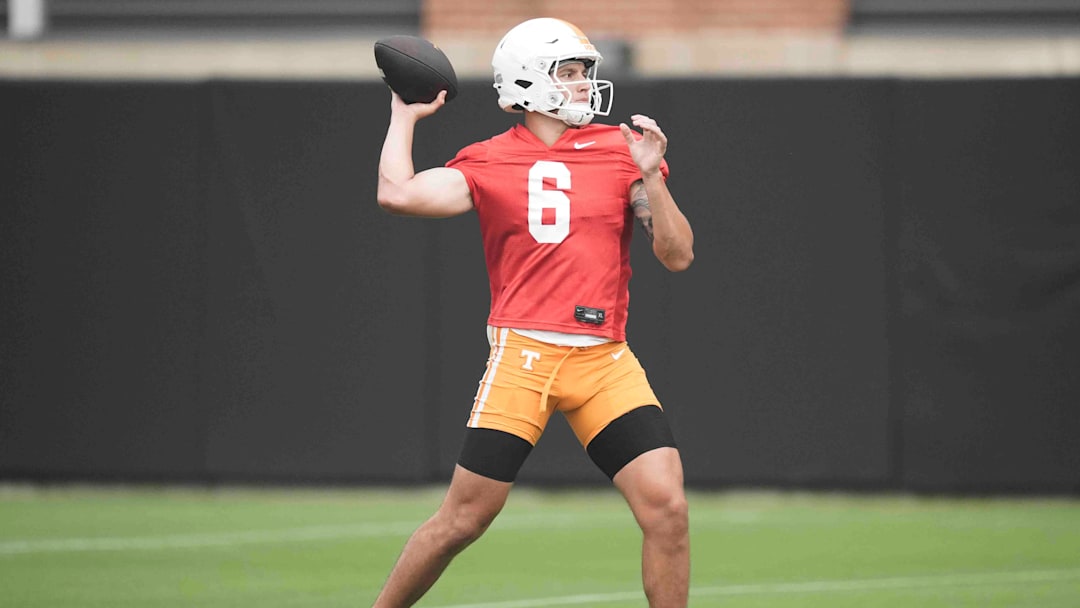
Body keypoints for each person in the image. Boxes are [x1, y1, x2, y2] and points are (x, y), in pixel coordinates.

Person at [373, 17, 694, 608]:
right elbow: (398, 193)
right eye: (567, 73)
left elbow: (677, 256)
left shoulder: (624, 153)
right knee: (463, 520)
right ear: (526, 82)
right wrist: (403, 116)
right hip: (525, 356)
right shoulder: (489, 159)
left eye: (583, 73)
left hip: (604, 360)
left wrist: (652, 174)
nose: (581, 86)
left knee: (667, 506)